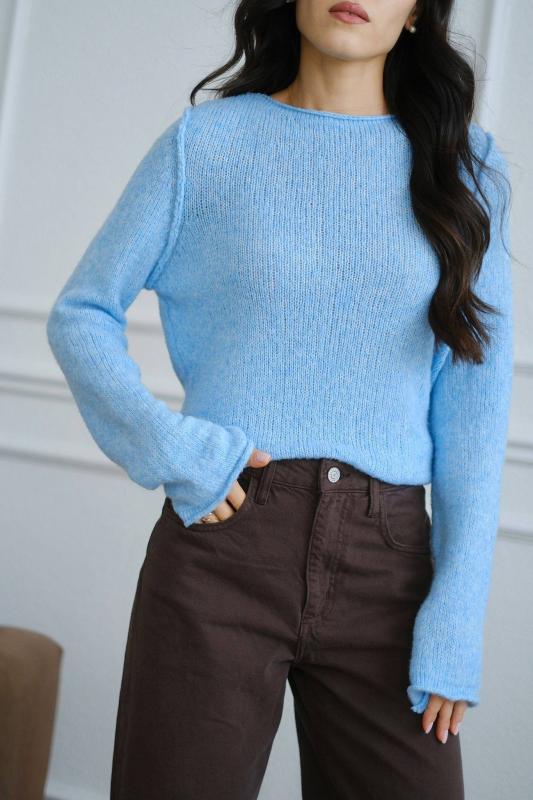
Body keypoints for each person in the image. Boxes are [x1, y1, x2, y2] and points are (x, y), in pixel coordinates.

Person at [46, 0, 513, 797]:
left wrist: (456, 614)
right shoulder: (206, 145)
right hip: (224, 549)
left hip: (390, 566)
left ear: (415, 14)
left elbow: (474, 406)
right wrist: (176, 450)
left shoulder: (462, 165)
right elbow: (81, 314)